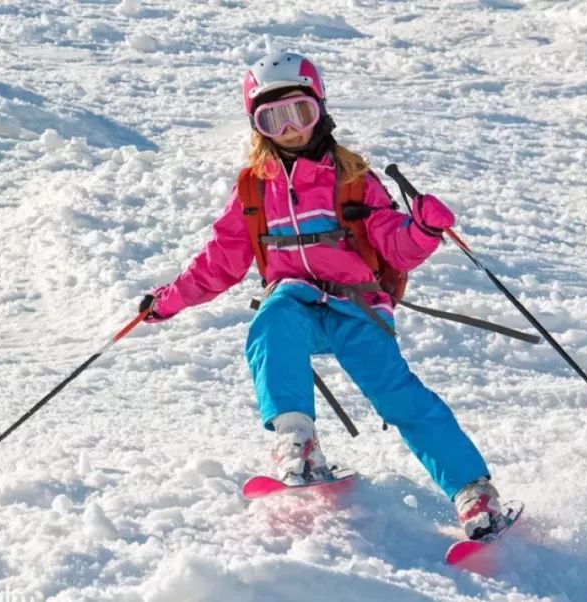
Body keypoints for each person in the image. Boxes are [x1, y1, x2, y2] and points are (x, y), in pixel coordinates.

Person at [140, 51, 505, 540]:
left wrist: (421, 229)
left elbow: (393, 239)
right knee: (271, 322)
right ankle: (298, 443)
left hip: (357, 308)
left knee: (398, 396)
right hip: (296, 304)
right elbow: (220, 261)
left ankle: (472, 492)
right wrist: (168, 300)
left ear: (320, 109)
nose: (290, 128)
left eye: (299, 112)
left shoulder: (352, 179)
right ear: (257, 126)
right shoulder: (254, 189)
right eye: (274, 118)